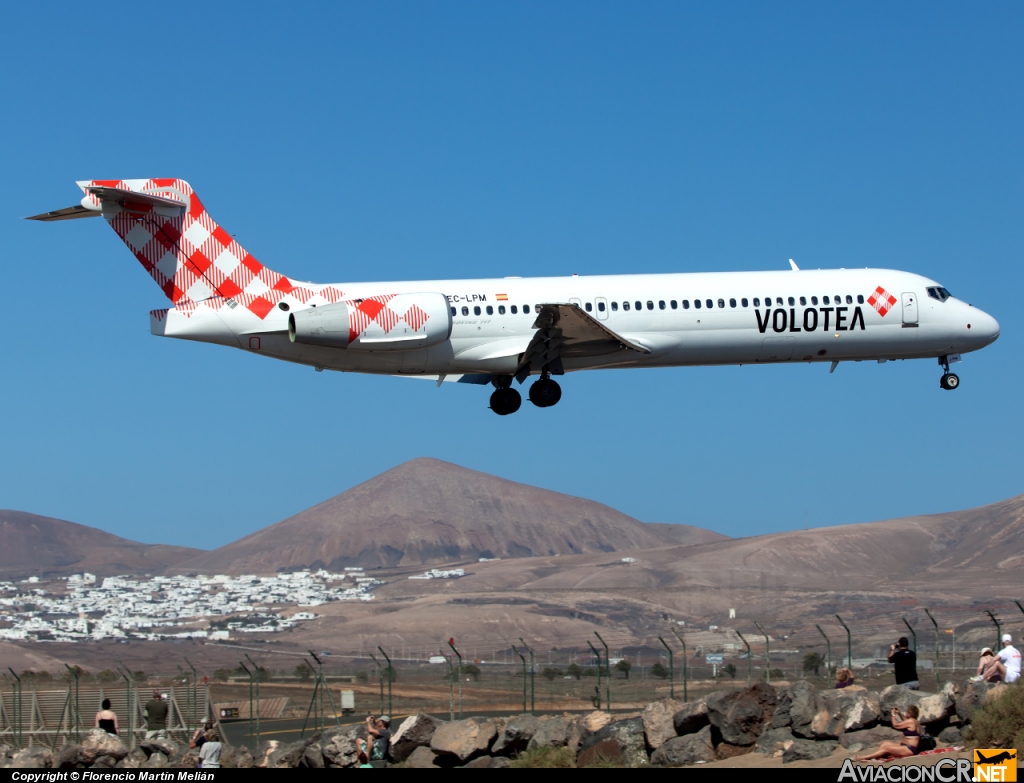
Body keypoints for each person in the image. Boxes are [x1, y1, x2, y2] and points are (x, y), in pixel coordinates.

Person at [856, 705, 921, 761]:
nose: (905, 713)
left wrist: (893, 714)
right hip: (905, 746)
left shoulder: (911, 721)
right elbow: (905, 720)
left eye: (907, 712)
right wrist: (899, 713)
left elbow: (895, 725)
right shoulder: (914, 721)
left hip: (910, 749)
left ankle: (865, 757)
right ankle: (878, 755)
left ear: (909, 713)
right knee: (885, 743)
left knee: (886, 748)